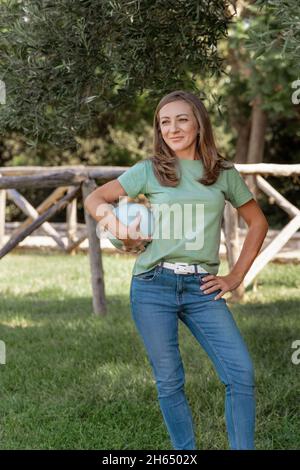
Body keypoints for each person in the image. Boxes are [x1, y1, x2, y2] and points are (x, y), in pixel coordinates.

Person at [84, 90, 269, 450]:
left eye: (182, 119)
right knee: (170, 380)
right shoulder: (149, 170)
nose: (173, 128)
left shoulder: (223, 173)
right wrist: (113, 224)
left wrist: (235, 276)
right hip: (153, 285)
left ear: (199, 124)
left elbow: (257, 223)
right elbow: (95, 198)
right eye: (165, 122)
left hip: (203, 287)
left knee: (241, 374)